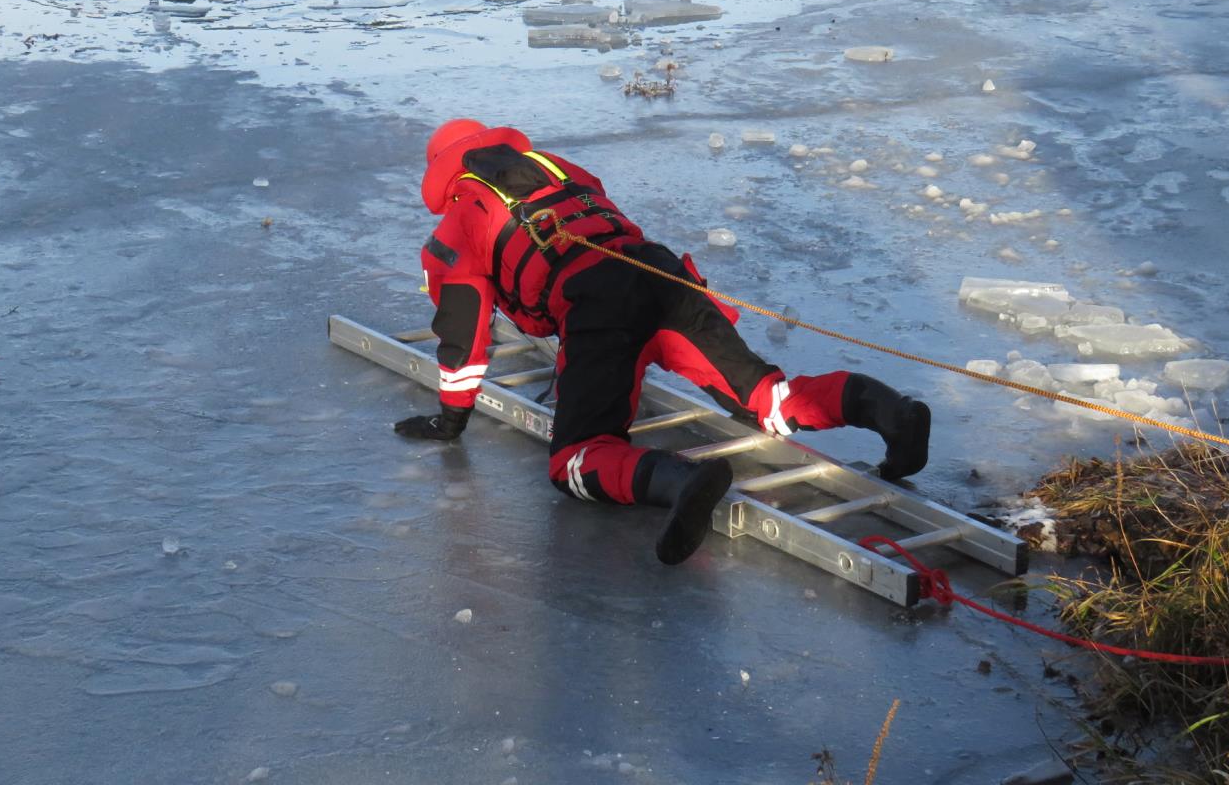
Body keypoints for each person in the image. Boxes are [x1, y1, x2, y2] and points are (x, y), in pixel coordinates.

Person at [397, 119, 932, 567]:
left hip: (596, 303)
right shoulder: (561, 170)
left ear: (444, 172)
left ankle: (680, 482)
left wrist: (451, 421)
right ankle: (888, 411)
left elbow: (463, 336)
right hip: (662, 273)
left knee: (576, 459)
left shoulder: (461, 221)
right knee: (767, 399)